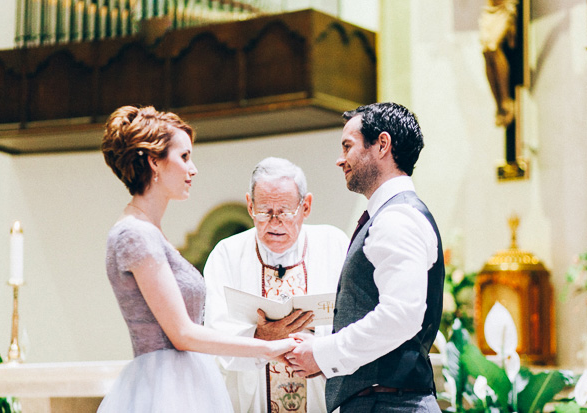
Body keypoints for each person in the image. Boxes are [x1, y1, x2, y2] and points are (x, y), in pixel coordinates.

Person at [98, 106, 295, 412]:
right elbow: (182, 334)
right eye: (185, 157)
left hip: (183, 381)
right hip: (162, 389)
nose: (193, 169)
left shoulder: (150, 232)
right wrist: (267, 348)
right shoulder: (135, 234)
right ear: (154, 162)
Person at [287, 102, 445, 413]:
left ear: (382, 145)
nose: (340, 159)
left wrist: (323, 354)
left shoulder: (397, 218)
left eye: (348, 146)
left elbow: (400, 315)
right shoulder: (389, 215)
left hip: (390, 404)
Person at [204, 157, 349, 413]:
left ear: (306, 206)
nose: (274, 222)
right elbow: (215, 337)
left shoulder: (334, 245)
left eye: (284, 211)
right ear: (250, 205)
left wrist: (320, 353)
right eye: (264, 211)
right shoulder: (226, 254)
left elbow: (355, 323)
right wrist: (262, 339)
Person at [480, 0, 519, 127]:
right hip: (490, 7)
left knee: (493, 47)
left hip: (504, 7)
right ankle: (498, 105)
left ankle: (505, 100)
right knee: (486, 52)